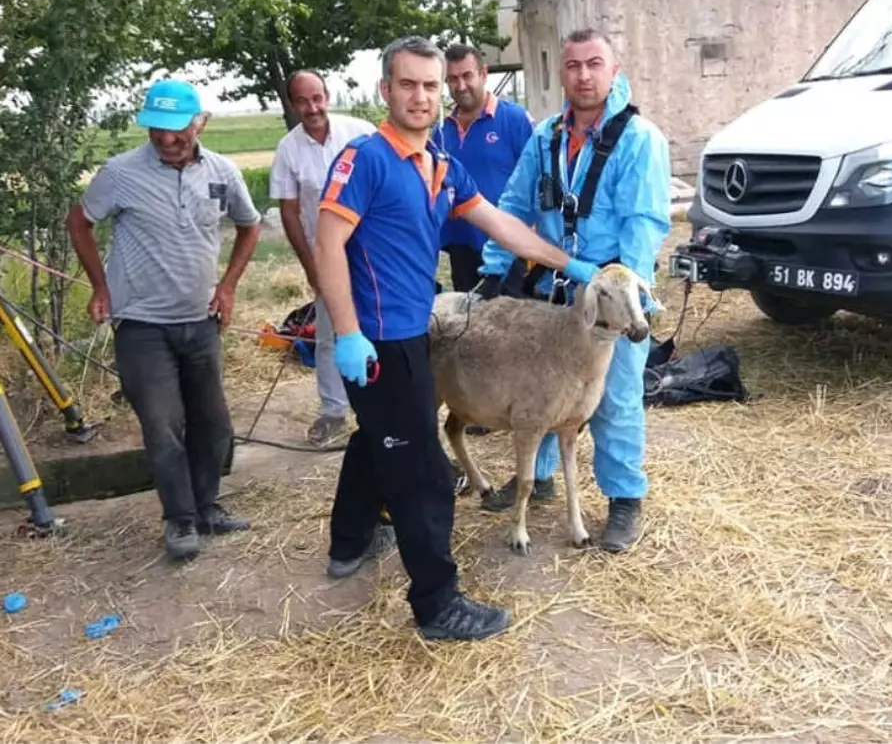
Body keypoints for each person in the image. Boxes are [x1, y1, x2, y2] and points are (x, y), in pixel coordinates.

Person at [312, 34, 601, 641]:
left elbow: (502, 226)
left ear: (443, 92)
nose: (421, 96)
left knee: (380, 440)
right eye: (408, 84)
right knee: (424, 475)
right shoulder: (363, 159)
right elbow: (327, 244)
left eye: (430, 85)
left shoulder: (441, 164)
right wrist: (345, 333)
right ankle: (438, 606)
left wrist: (570, 266)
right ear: (384, 90)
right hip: (376, 344)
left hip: (415, 331)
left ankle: (349, 542)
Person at [475, 28, 672, 554]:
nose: (583, 75)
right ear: (561, 73)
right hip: (553, 292)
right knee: (540, 390)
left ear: (614, 70)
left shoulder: (639, 140)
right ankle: (535, 480)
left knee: (613, 398)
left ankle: (624, 500)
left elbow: (643, 226)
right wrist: (495, 269)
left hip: (609, 297)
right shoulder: (545, 138)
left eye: (594, 64)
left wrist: (623, 303)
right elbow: (513, 205)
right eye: (573, 66)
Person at [66, 78, 262, 561]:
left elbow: (250, 224)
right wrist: (100, 286)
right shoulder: (120, 173)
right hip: (141, 325)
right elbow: (80, 222)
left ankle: (206, 507)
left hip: (201, 321)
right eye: (156, 129)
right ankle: (179, 520)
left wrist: (229, 285)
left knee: (213, 424)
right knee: (162, 424)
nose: (166, 139)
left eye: (176, 130)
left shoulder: (221, 171)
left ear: (201, 123)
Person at [269, 69, 377, 444]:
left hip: (371, 253)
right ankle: (334, 411)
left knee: (381, 328)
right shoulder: (288, 149)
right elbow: (288, 211)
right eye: (303, 101)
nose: (312, 107)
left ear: (327, 96)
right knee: (331, 336)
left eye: (317, 98)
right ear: (292, 104)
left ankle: (379, 406)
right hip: (326, 257)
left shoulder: (361, 132)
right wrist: (311, 266)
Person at [439, 43, 532, 293]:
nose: (460, 86)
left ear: (483, 73)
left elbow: (536, 183)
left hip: (507, 246)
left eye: (467, 76)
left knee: (510, 325)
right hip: (461, 246)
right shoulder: (440, 130)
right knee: (469, 324)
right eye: (452, 79)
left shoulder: (514, 120)